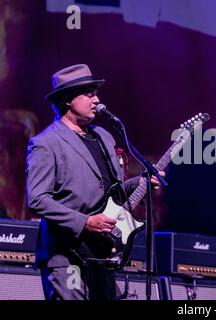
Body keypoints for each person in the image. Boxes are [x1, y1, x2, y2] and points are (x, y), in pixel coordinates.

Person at [26, 64, 164, 300]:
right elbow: (37, 199)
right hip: (66, 255)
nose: (96, 99)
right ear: (68, 99)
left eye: (95, 93)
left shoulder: (103, 136)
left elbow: (114, 191)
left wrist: (140, 182)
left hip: (102, 253)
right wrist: (85, 222)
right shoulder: (45, 143)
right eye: (88, 94)